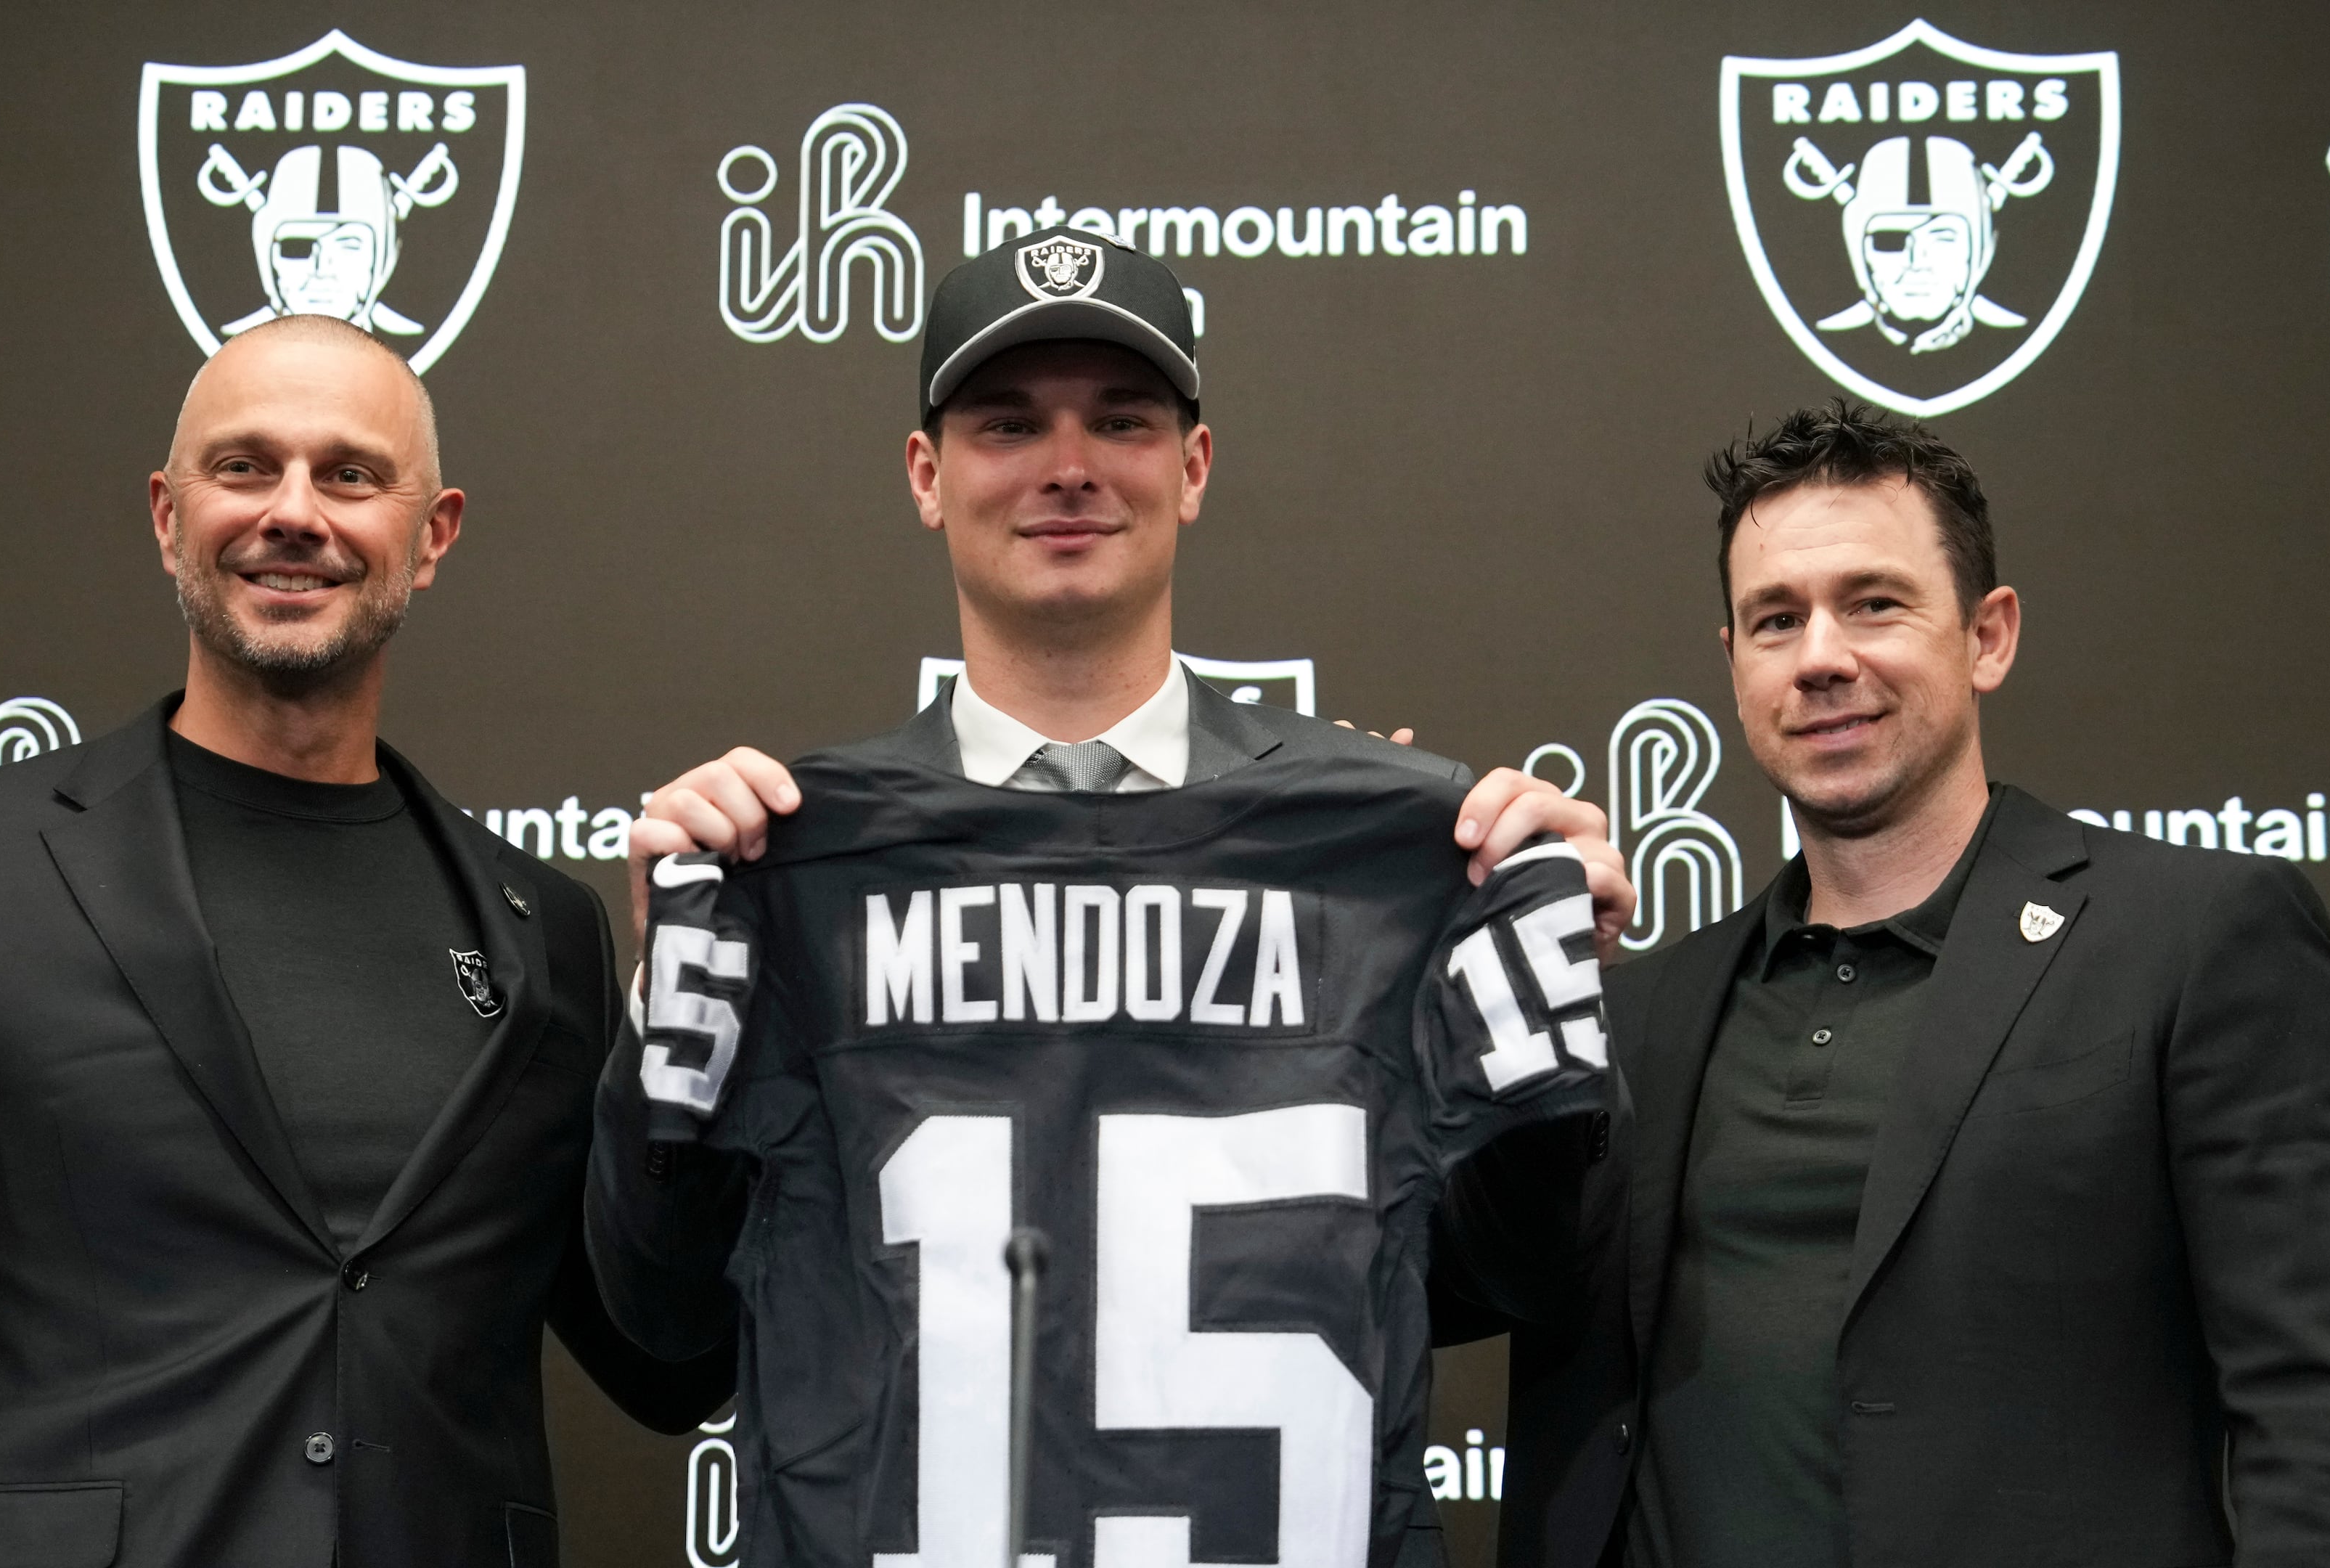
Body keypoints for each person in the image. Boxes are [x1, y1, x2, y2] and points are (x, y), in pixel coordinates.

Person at [587, 230, 1631, 1565]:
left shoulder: (1400, 854)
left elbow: (1530, 1275)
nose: (1067, 467)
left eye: (1122, 421)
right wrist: (666, 987)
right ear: (928, 474)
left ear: (1193, 468)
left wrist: (1550, 987)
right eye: (1008, 423)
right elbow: (657, 1314)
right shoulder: (782, 862)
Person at [0, 315, 728, 1567]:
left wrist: (678, 1039)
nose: (293, 512)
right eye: (244, 467)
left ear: (433, 537)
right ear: (165, 514)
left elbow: (669, 1362)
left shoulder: (548, 932)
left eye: (350, 475)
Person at [1479, 401, 2330, 1568]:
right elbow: (1451, 1284)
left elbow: (2329, 1414)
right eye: (1776, 620)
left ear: (1988, 635)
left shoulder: (2201, 938)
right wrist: (1488, 985)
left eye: (1874, 602)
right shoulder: (1636, 1013)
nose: (1822, 657)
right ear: (1733, 665)